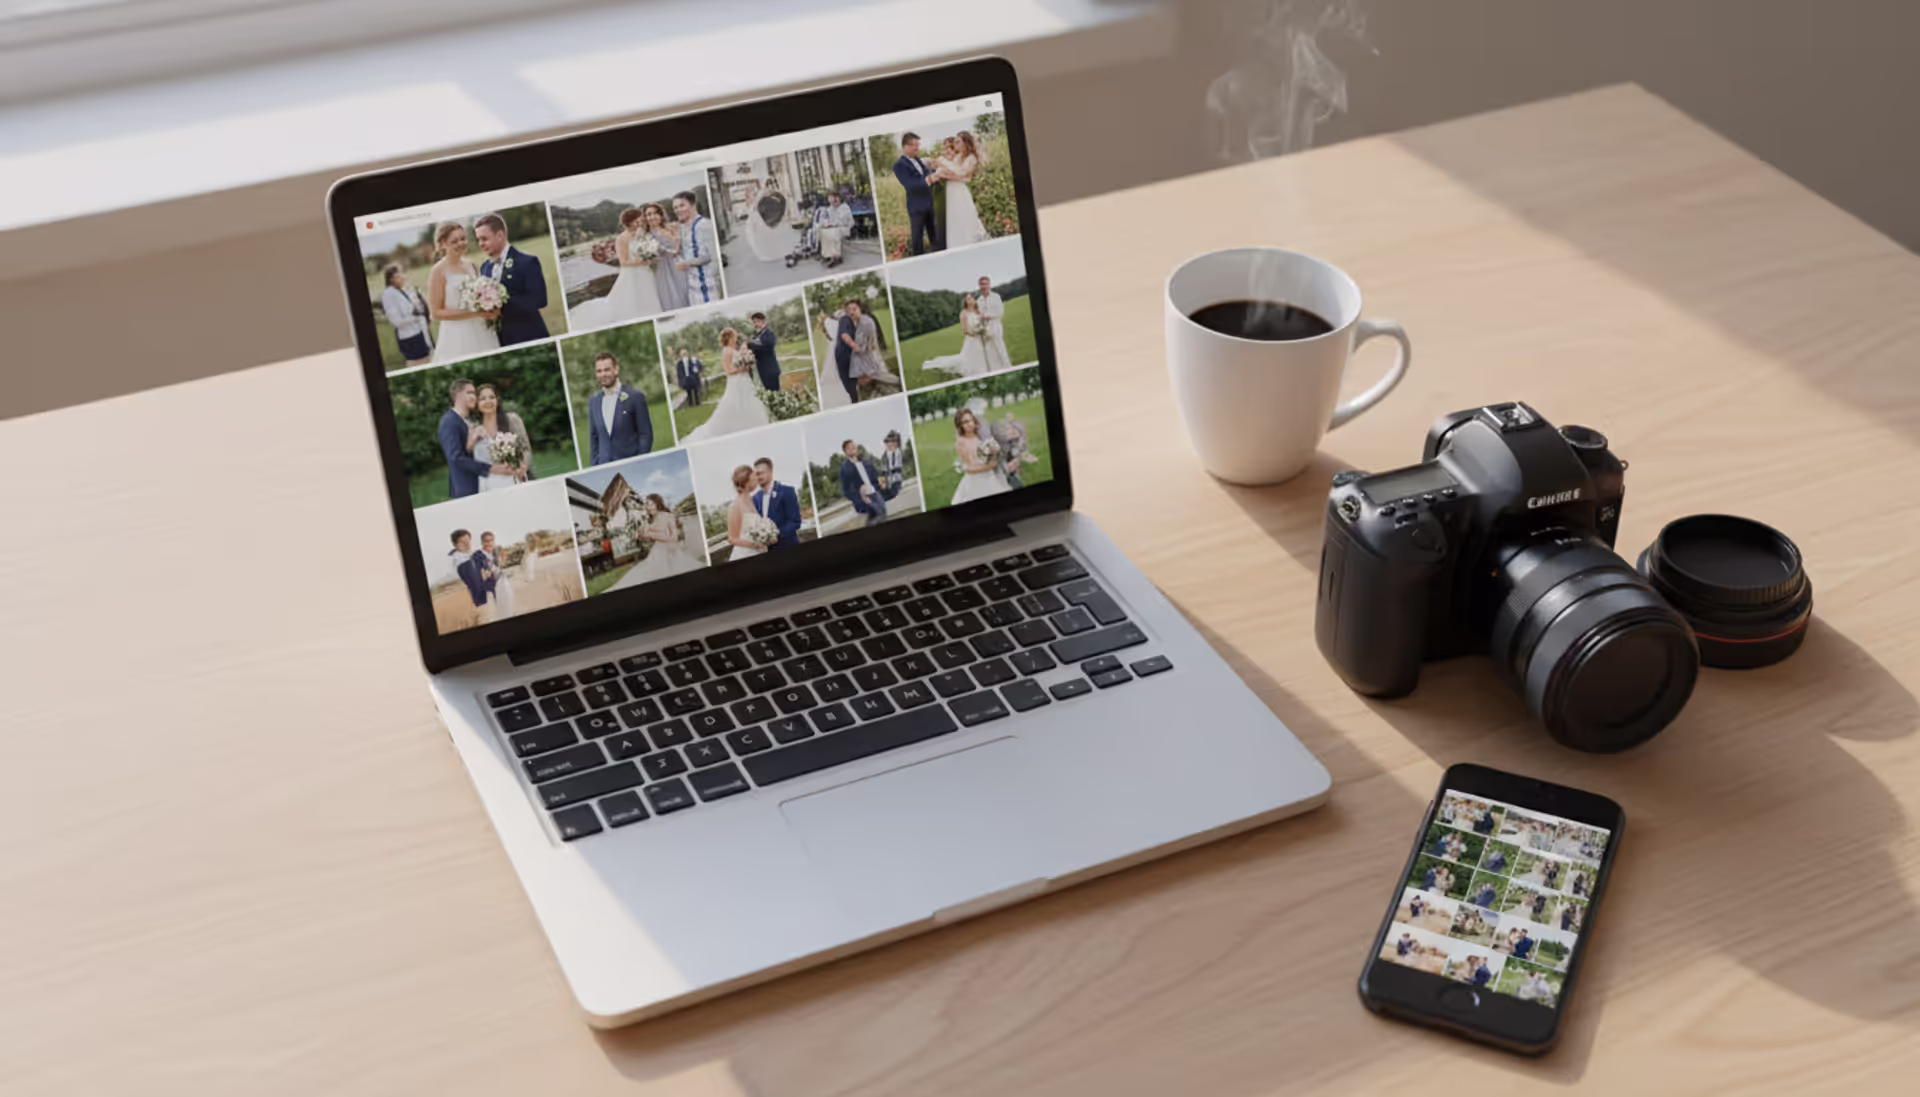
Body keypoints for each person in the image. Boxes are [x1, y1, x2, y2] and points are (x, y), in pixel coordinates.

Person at [571, 207, 663, 328]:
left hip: (645, 272)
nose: (640, 223)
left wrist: (650, 255)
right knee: (631, 299)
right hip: (632, 273)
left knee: (649, 294)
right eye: (637, 221)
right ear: (629, 222)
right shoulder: (621, 238)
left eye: (640, 220)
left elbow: (648, 248)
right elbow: (623, 262)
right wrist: (642, 261)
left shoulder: (641, 234)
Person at [427, 222, 500, 363]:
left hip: (481, 328)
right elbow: (435, 313)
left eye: (463, 239)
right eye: (454, 241)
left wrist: (491, 304)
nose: (461, 243)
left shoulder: (471, 265)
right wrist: (475, 312)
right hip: (457, 333)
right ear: (442, 244)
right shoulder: (438, 270)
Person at [474, 212, 549, 347]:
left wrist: (500, 303)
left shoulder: (527, 262)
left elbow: (540, 300)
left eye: (484, 239)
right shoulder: (485, 267)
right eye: (478, 239)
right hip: (499, 341)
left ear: (500, 235)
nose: (480, 244)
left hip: (528, 337)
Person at [684, 329, 773, 441]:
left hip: (743, 380)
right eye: (734, 336)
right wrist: (742, 369)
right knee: (734, 402)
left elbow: (740, 362)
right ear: (730, 338)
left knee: (749, 400)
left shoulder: (732, 349)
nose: (736, 339)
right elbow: (728, 371)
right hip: (736, 381)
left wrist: (748, 362)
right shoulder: (727, 351)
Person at [438, 379, 510, 499]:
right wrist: (491, 469)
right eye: (470, 393)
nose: (474, 397)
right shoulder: (449, 421)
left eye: (474, 394)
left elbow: (466, 452)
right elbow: (456, 458)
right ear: (457, 395)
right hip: (466, 488)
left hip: (481, 485)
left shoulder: (468, 422)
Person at [616, 495, 704, 586]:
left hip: (669, 553)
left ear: (658, 504)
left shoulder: (668, 516)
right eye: (647, 505)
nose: (649, 507)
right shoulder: (650, 520)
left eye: (652, 504)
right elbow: (648, 537)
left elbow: (674, 537)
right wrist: (640, 535)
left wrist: (651, 535)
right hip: (656, 553)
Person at [585, 352, 653, 465]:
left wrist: (640, 462)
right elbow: (594, 438)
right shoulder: (593, 401)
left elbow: (645, 435)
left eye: (607, 370)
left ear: (616, 369)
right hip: (604, 467)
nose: (603, 374)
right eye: (599, 371)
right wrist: (595, 465)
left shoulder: (635, 396)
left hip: (632, 465)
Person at [930, 132, 989, 246]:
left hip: (959, 190)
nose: (955, 144)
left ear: (965, 143)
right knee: (954, 219)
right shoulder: (957, 156)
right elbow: (952, 172)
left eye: (958, 141)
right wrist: (941, 172)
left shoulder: (971, 158)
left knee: (963, 218)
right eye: (955, 141)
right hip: (951, 190)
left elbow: (964, 176)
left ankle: (967, 243)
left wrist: (943, 164)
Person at [469, 383, 531, 492]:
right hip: (488, 482)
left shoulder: (512, 419)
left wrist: (523, 467)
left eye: (492, 397)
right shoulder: (473, 428)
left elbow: (525, 448)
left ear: (497, 400)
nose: (488, 401)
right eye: (483, 399)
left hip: (515, 477)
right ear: (477, 404)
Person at [892, 132, 940, 255]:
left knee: (934, 233)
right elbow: (910, 185)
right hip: (916, 206)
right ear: (905, 146)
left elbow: (926, 173)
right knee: (917, 238)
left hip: (929, 203)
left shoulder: (918, 159)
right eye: (914, 145)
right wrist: (929, 180)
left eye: (917, 145)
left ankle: (937, 252)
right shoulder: (899, 165)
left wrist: (940, 171)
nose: (917, 148)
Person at [951, 407, 1011, 506]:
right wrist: (989, 466)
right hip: (976, 479)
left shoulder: (980, 436)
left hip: (990, 475)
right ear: (960, 425)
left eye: (971, 420)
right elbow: (968, 468)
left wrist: (993, 453)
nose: (970, 424)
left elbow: (988, 452)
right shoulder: (961, 442)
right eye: (965, 422)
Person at [922, 295, 992, 379]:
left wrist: (983, 330)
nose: (971, 300)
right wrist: (975, 333)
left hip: (981, 338)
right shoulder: (964, 313)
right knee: (968, 358)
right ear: (965, 302)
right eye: (968, 299)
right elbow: (965, 330)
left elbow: (984, 322)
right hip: (971, 338)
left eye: (972, 298)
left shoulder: (978, 311)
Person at [380, 264, 433, 366]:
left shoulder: (403, 289)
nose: (402, 278)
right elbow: (396, 322)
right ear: (390, 279)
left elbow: (418, 307)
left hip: (422, 333)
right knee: (418, 364)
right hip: (410, 338)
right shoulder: (388, 295)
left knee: (429, 360)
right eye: (397, 276)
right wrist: (415, 316)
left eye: (401, 275)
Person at [672, 191, 719, 304]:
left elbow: (709, 256)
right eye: (675, 207)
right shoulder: (683, 228)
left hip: (707, 281)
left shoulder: (704, 224)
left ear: (693, 204)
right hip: (692, 281)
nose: (678, 210)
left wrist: (687, 263)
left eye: (682, 205)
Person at [842, 298, 898, 394]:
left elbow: (869, 345)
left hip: (871, 360)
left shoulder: (866, 322)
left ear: (860, 309)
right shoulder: (854, 324)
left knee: (884, 383)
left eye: (854, 309)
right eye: (848, 311)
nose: (851, 313)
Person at [641, 203, 689, 311]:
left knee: (685, 289)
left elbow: (682, 247)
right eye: (649, 214)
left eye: (655, 213)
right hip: (662, 268)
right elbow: (650, 253)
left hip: (679, 263)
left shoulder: (672, 227)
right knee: (670, 294)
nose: (652, 217)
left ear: (661, 215)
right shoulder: (646, 235)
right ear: (645, 218)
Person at [751, 458, 803, 548]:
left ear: (770, 471)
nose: (758, 477)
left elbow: (795, 522)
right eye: (756, 474)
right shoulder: (754, 499)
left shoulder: (787, 491)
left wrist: (776, 534)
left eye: (761, 473)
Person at [450, 530, 496, 625]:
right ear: (455, 544)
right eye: (462, 542)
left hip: (489, 594)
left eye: (468, 541)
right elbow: (469, 578)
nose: (466, 544)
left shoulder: (476, 554)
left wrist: (488, 570)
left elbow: (490, 567)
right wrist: (482, 575)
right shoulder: (457, 560)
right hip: (475, 601)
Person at [838, 440, 888, 528]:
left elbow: (875, 475)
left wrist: (880, 484)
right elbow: (845, 490)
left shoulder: (865, 462)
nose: (852, 448)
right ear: (845, 452)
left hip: (874, 492)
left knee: (880, 513)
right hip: (862, 498)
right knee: (881, 513)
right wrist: (859, 498)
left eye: (853, 446)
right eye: (849, 447)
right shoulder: (844, 468)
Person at [725, 465, 768, 560]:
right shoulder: (736, 505)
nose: (757, 479)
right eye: (754, 477)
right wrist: (754, 544)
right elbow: (732, 538)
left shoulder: (750, 500)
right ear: (746, 481)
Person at [975, 275, 1015, 371]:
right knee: (989, 349)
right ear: (979, 286)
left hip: (995, 325)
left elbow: (1000, 312)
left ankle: (1007, 366)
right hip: (984, 327)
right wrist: (980, 320)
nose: (984, 286)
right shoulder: (978, 300)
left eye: (986, 284)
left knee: (999, 346)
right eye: (982, 284)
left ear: (989, 285)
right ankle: (995, 369)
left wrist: (987, 316)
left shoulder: (996, 296)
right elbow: (977, 314)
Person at [479, 531, 516, 617]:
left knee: (506, 606)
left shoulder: (495, 552)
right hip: (490, 588)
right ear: (482, 542)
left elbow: (501, 567)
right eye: (486, 541)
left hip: (500, 583)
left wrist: (502, 560)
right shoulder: (480, 556)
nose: (489, 543)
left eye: (491, 540)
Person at [815, 191, 854, 267]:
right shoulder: (830, 209)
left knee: (833, 233)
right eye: (830, 199)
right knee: (823, 232)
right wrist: (824, 224)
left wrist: (832, 224)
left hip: (844, 227)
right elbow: (826, 220)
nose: (832, 201)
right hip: (833, 228)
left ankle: (837, 256)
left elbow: (844, 221)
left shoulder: (844, 207)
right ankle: (826, 255)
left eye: (833, 198)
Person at [747, 311, 782, 392]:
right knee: (768, 391)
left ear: (763, 322)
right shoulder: (756, 336)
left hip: (771, 368)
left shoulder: (769, 333)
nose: (755, 324)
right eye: (754, 322)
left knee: (776, 391)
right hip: (762, 369)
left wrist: (751, 344)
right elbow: (753, 348)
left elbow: (768, 346)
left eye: (757, 321)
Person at [880, 430, 905, 499]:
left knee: (891, 494)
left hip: (896, 480)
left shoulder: (898, 452)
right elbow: (884, 470)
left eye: (893, 442)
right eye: (888, 442)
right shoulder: (886, 455)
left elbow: (897, 467)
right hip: (888, 481)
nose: (890, 444)